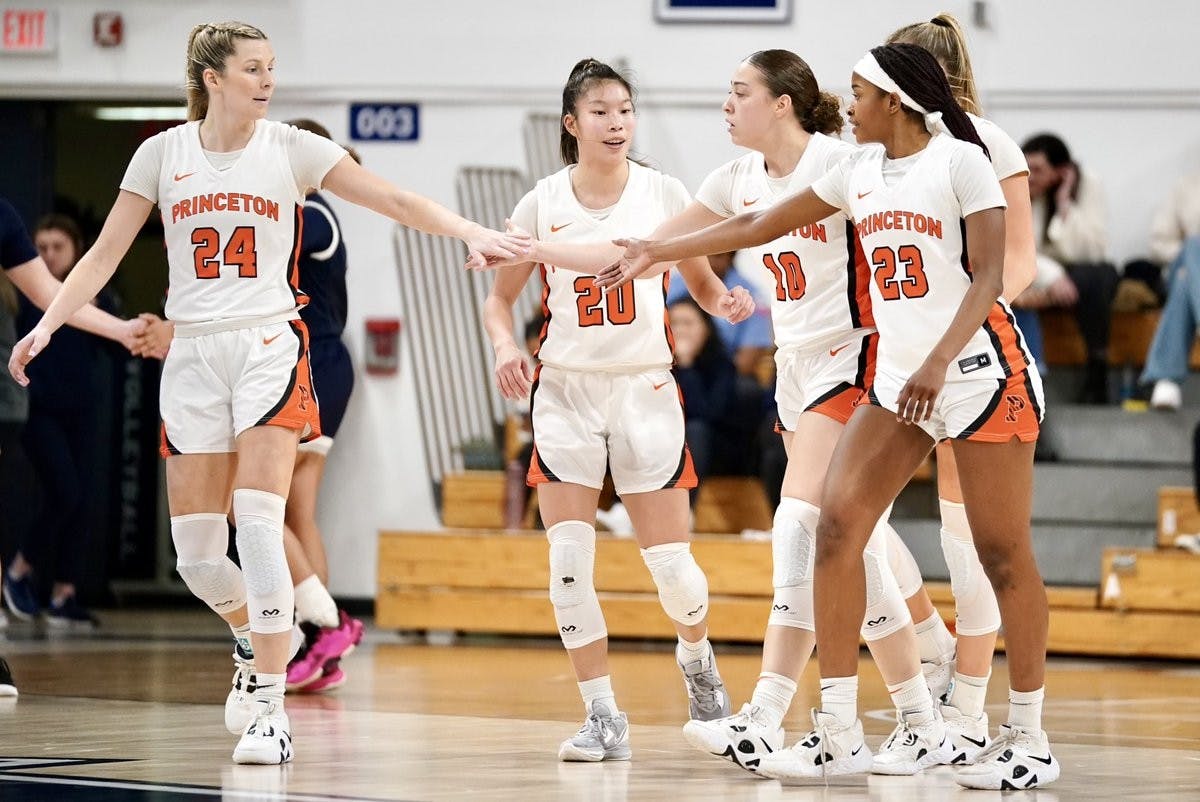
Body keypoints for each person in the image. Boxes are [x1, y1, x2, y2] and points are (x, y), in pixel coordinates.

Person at [8, 21, 527, 765]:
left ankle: (271, 710)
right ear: (212, 77)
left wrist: (468, 231)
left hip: (267, 345)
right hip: (191, 356)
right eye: (253, 68)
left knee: (258, 522)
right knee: (195, 556)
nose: (268, 80)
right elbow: (101, 256)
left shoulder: (291, 147)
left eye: (272, 68)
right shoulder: (161, 154)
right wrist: (48, 326)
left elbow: (394, 198)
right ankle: (255, 636)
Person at [614, 43, 1057, 790]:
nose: (846, 106)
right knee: (835, 530)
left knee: (1001, 553)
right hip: (901, 384)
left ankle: (1028, 736)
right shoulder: (854, 172)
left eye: (858, 93)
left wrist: (938, 360)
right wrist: (659, 248)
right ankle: (841, 730)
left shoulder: (962, 162)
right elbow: (756, 227)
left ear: (894, 99)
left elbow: (989, 277)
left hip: (979, 371)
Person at [513, 50, 940, 777]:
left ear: (781, 104)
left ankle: (784, 711)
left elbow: (744, 237)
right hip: (796, 366)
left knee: (804, 527)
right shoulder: (732, 178)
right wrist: (525, 247)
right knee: (853, 540)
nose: (725, 104)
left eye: (739, 92)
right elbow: (647, 250)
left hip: (857, 355)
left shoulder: (841, 164)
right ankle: (922, 685)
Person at [482, 58, 753, 763]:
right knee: (567, 565)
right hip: (566, 388)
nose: (617, 122)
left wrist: (721, 301)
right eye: (601, 110)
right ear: (572, 124)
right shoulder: (540, 201)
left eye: (626, 110)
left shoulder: (665, 192)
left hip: (644, 386)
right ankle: (602, 714)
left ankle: (698, 664)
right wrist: (506, 343)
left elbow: (697, 277)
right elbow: (497, 296)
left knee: (673, 569)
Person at [134, 118, 366, 695]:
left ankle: (321, 622)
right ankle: (322, 628)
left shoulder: (313, 214)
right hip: (297, 359)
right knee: (286, 512)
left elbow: (250, 245)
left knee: (259, 509)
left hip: (301, 359)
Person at [883, 11, 1041, 766]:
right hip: (898, 358)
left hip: (973, 364)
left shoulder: (988, 142)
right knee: (839, 518)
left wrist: (963, 330)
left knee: (970, 541)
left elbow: (1021, 263)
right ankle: (930, 641)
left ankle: (972, 707)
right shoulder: (886, 150)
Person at [0, 195, 144, 696]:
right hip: (38, 408)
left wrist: (123, 329)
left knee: (72, 495)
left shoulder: (3, 215)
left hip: (58, 407)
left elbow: (47, 294)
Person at [5, 214, 116, 628]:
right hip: (36, 410)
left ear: (75, 249)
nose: (49, 255)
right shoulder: (23, 288)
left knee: (81, 499)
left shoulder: (94, 297)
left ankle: (63, 593)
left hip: (82, 411)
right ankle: (18, 572)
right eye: (42, 247)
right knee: (65, 493)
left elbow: (114, 346)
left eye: (58, 247)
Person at [1015, 132, 1116, 403]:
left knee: (1096, 276)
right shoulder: (1017, 187)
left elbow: (1092, 251)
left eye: (1038, 170)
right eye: (1027, 168)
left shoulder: (1088, 184)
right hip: (1040, 280)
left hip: (1078, 278)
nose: (1030, 176)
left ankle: (1097, 364)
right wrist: (1054, 276)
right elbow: (1019, 250)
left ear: (1061, 172)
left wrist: (1064, 204)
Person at [1139, 170, 1200, 410]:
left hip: (1185, 282)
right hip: (1184, 265)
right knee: (1193, 250)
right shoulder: (1187, 186)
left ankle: (1166, 378)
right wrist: (1189, 258)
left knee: (1186, 280)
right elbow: (1159, 244)